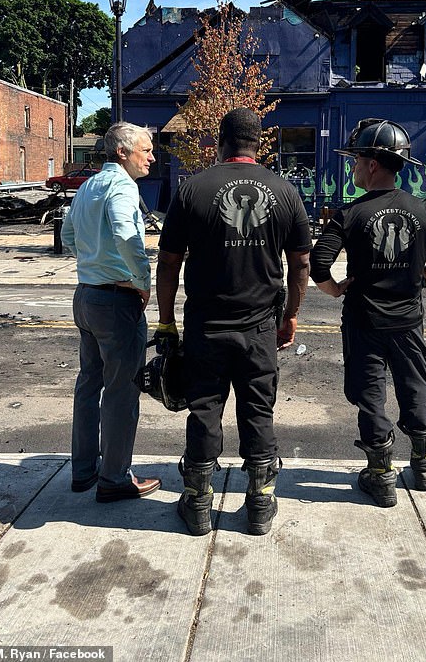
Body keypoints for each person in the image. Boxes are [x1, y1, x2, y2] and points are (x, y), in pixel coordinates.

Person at [156, 107, 311, 536]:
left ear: (220, 141)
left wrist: (166, 321)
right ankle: (260, 504)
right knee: (258, 410)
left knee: (204, 409)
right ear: (258, 144)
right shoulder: (285, 192)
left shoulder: (192, 190)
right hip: (260, 325)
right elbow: (300, 264)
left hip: (206, 325)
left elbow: (168, 264)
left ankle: (199, 504)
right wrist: (291, 315)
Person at [310, 119, 426, 508]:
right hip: (407, 321)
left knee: (370, 397)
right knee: (414, 388)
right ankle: (424, 465)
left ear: (373, 164)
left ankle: (381, 475)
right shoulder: (425, 210)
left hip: (364, 321)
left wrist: (334, 289)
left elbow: (319, 263)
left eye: (355, 160)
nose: (352, 167)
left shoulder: (349, 214)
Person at [61, 121, 162, 503]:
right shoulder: (122, 186)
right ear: (122, 153)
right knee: (121, 391)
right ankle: (115, 477)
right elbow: (125, 233)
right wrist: (141, 280)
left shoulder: (87, 186)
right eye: (146, 150)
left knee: (89, 383)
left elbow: (68, 236)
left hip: (86, 294)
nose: (152, 156)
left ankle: (84, 470)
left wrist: (92, 263)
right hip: (116, 300)